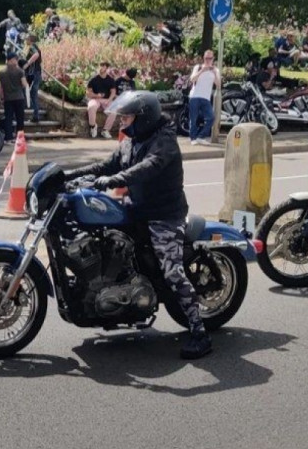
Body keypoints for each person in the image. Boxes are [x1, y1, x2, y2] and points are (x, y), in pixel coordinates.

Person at [64, 90, 212, 361]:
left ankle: (199, 331)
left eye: (127, 117)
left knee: (172, 272)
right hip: (137, 210)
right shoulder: (131, 141)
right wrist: (69, 175)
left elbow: (148, 167)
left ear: (143, 118)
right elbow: (105, 166)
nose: (122, 122)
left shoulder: (164, 141)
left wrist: (115, 180)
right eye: (121, 117)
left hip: (164, 215)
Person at [187, 50, 220, 146]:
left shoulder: (215, 70)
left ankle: (201, 136)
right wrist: (202, 70)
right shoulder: (198, 67)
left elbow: (218, 85)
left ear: (213, 59)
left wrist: (213, 72)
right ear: (203, 58)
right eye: (206, 58)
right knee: (194, 119)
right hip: (195, 96)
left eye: (210, 58)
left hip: (206, 98)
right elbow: (192, 79)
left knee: (211, 117)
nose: (208, 60)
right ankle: (193, 138)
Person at [0, 50, 29, 142]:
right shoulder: (20, 71)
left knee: (8, 118)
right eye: (16, 59)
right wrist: (27, 83)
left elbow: (0, 88)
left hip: (8, 99)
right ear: (11, 60)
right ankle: (19, 137)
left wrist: (1, 98)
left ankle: (8, 137)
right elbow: (24, 84)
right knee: (20, 118)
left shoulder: (1, 72)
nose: (17, 61)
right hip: (19, 98)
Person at [85, 62, 117, 139]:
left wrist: (109, 100)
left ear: (107, 68)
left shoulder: (110, 80)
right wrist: (96, 95)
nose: (100, 67)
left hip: (106, 100)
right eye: (100, 65)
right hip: (95, 99)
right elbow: (88, 93)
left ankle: (105, 130)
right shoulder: (93, 79)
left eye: (103, 66)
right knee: (91, 107)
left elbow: (113, 92)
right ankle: (93, 126)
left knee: (114, 110)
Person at [23, 33, 43, 123]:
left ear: (30, 40)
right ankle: (35, 115)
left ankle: (24, 113)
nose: (25, 40)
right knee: (32, 93)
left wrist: (27, 63)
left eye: (26, 39)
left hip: (33, 74)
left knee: (27, 92)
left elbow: (36, 55)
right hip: (37, 73)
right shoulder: (37, 47)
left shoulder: (32, 47)